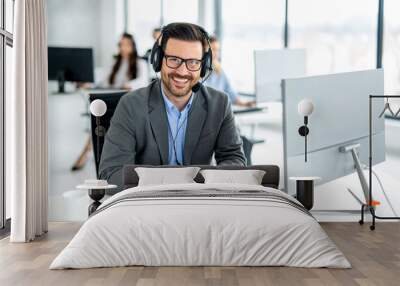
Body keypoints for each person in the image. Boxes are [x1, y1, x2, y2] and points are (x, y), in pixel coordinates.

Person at [99, 22, 246, 193]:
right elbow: (111, 174)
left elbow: (234, 160)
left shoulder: (219, 104)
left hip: (198, 204)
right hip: (147, 206)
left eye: (193, 62)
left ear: (203, 66)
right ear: (158, 59)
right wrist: (179, 183)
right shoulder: (131, 105)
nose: (182, 71)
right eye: (174, 59)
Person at [71, 33, 148, 171]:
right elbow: (105, 81)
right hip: (113, 101)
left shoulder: (140, 63)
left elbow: (142, 82)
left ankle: (86, 153)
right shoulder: (115, 63)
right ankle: (92, 153)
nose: (123, 47)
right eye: (121, 44)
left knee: (104, 124)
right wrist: (91, 85)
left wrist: (128, 84)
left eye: (126, 44)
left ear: (132, 46)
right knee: (98, 124)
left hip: (130, 104)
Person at [205, 36, 255, 107]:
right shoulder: (199, 71)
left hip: (220, 109)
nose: (216, 53)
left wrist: (242, 103)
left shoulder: (219, 70)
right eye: (213, 49)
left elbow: (229, 90)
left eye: (217, 50)